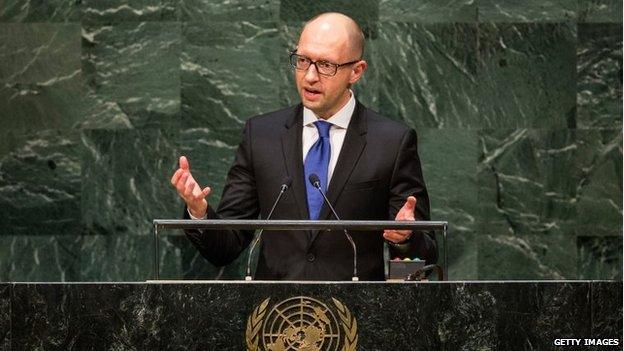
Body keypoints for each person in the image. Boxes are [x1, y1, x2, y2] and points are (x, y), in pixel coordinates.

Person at [170, 12, 437, 280]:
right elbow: (226, 247)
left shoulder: (391, 141)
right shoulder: (262, 135)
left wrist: (405, 237)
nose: (309, 76)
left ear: (356, 71)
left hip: (356, 313)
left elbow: (426, 250)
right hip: (274, 314)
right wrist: (199, 212)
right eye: (302, 60)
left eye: (325, 65)